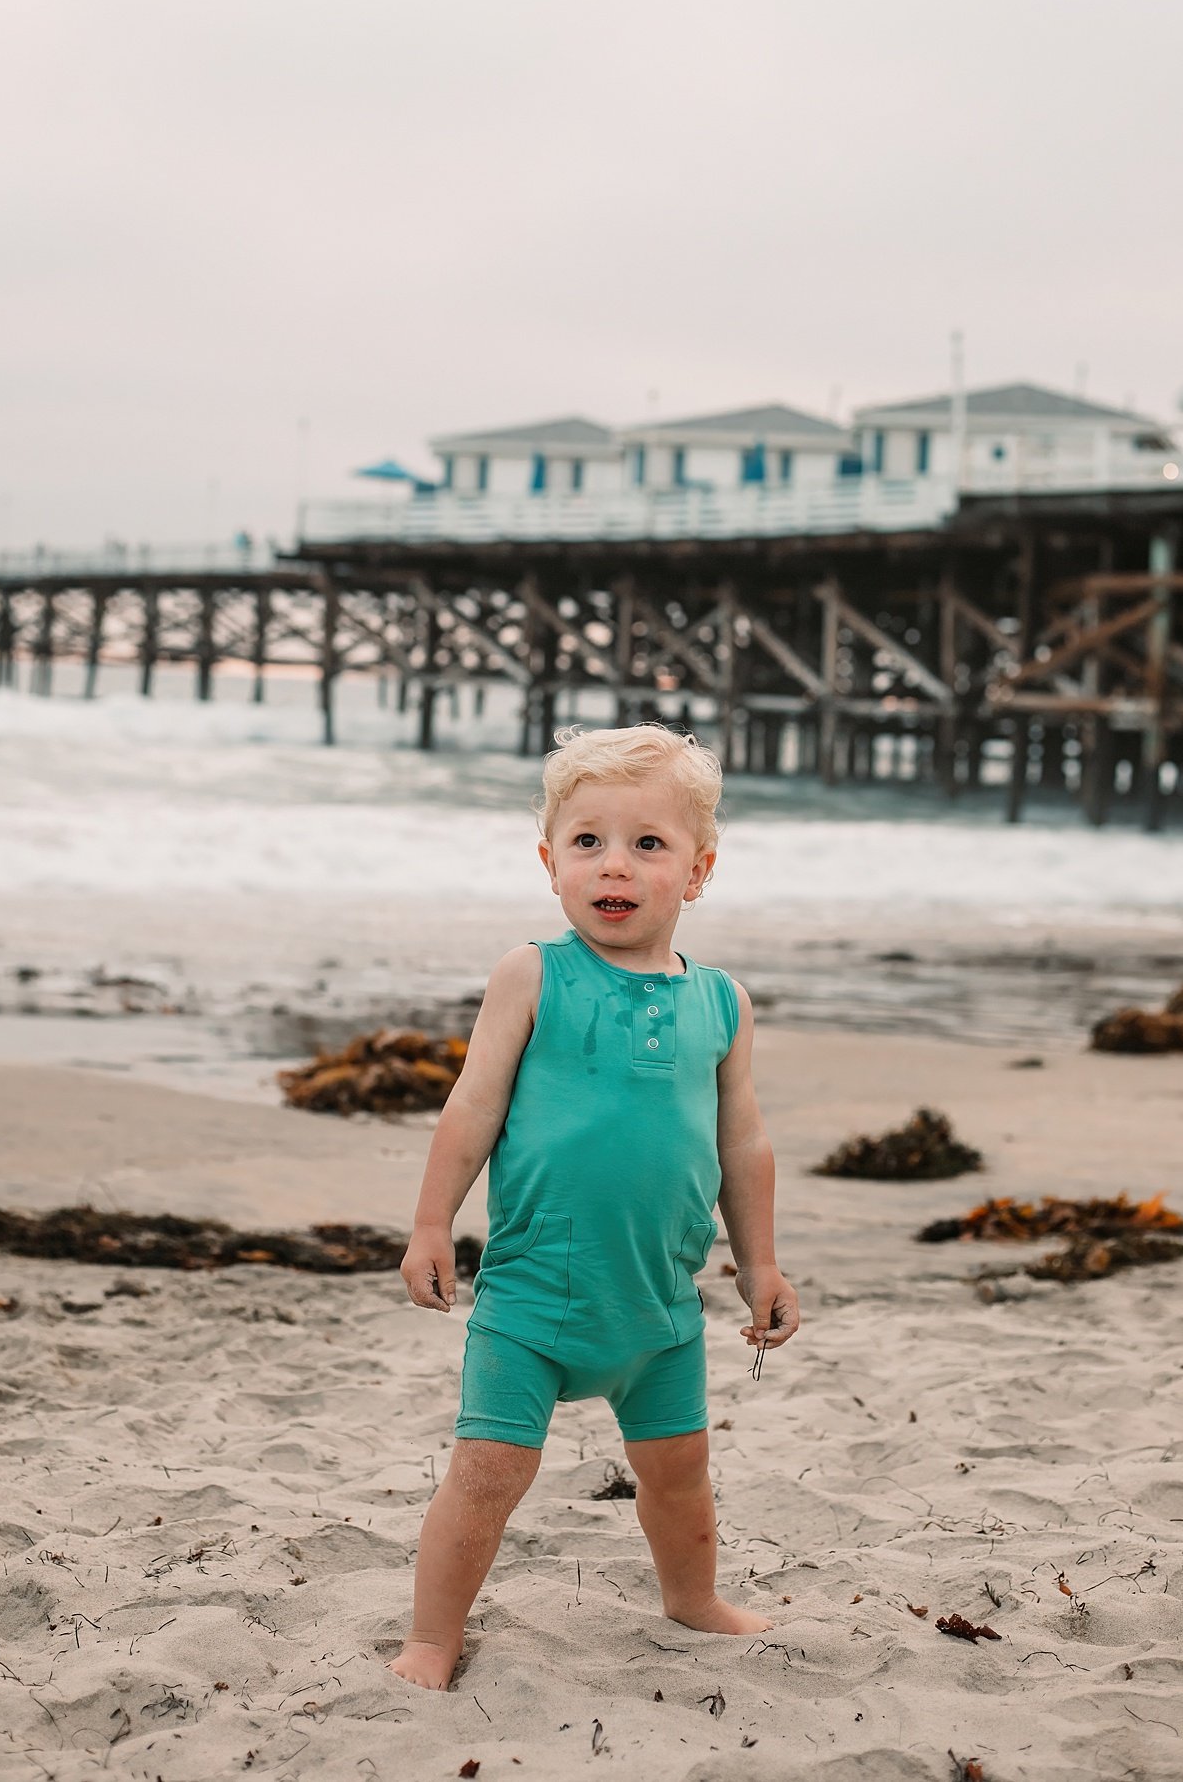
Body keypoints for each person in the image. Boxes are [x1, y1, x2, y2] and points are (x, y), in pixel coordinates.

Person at [390, 723, 801, 1692]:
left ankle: (692, 1598)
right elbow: (472, 1107)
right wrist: (427, 1222)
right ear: (550, 862)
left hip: (660, 1310)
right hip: (532, 1301)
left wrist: (764, 1265)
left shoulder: (723, 1005)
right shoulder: (533, 976)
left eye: (647, 844)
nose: (613, 865)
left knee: (679, 1475)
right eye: (588, 842)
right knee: (488, 1476)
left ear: (696, 872)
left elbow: (743, 1146)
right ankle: (432, 1637)